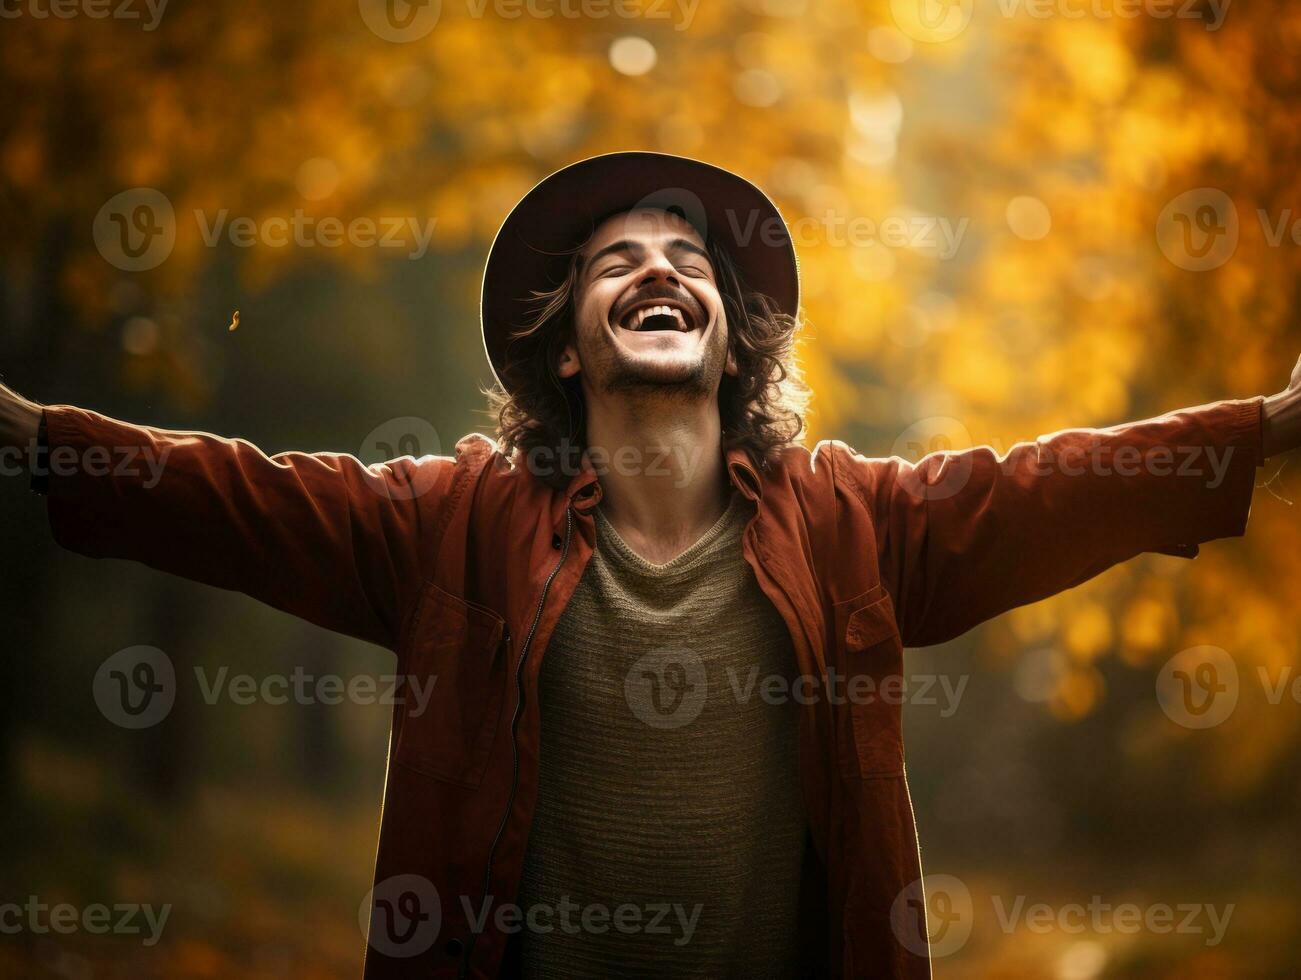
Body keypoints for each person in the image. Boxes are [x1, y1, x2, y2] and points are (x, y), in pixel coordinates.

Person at [3, 152, 1299, 979]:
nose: (658, 273)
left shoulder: (852, 521)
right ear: (567, 346)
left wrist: (1267, 435)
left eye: (689, 265)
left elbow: (1046, 488)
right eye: (616, 264)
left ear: (734, 348)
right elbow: (232, 496)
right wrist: (30, 438)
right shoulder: (451, 520)